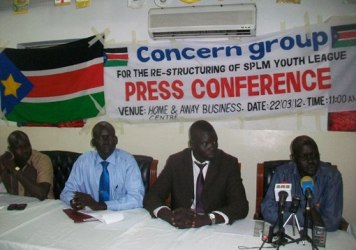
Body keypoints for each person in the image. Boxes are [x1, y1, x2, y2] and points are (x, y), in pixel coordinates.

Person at [144, 120, 249, 229]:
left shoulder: (228, 164)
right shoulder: (176, 162)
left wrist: (208, 218)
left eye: (215, 142)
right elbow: (152, 197)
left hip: (214, 227)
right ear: (192, 144)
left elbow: (241, 206)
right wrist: (170, 216)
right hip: (181, 227)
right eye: (205, 143)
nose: (212, 146)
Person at [261, 135, 343, 232]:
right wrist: (311, 217)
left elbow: (331, 222)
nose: (311, 161)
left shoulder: (332, 177)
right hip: (286, 232)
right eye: (305, 157)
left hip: (317, 235)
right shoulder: (282, 173)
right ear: (294, 159)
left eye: (314, 155)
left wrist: (289, 216)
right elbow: (267, 211)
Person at [60, 121, 144, 211]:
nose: (106, 140)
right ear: (93, 142)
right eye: (101, 137)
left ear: (116, 140)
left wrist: (101, 205)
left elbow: (136, 199)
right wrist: (75, 201)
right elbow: (67, 192)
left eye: (109, 136)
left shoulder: (128, 162)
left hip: (121, 216)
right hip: (90, 215)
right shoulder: (83, 161)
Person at [0, 130, 54, 200]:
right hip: (16, 205)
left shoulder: (41, 160)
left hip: (43, 205)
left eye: (27, 145)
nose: (25, 150)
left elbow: (41, 194)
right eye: (19, 147)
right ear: (11, 149)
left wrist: (15, 169)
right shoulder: (6, 160)